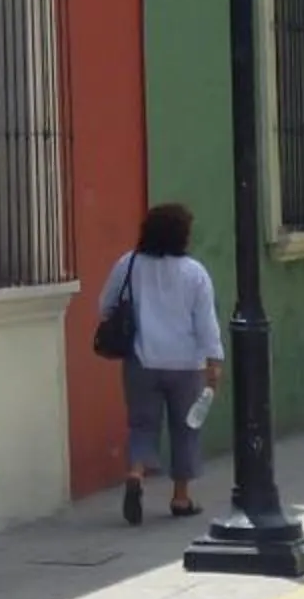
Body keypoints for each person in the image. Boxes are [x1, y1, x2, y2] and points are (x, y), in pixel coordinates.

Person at [95, 203, 225, 526]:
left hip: (142, 360)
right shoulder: (195, 273)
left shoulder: (129, 264)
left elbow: (105, 305)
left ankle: (136, 474)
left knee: (142, 424)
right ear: (182, 236)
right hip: (186, 364)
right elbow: (205, 322)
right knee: (186, 429)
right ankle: (181, 498)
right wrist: (214, 362)